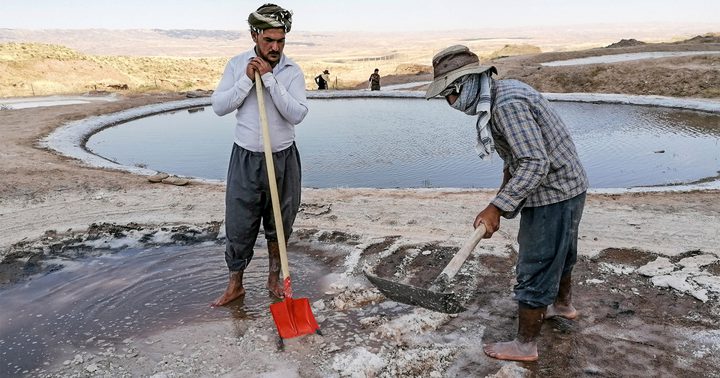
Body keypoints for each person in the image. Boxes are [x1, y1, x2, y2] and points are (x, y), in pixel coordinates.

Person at [425, 45, 588, 362]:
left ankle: (525, 345)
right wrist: (499, 201)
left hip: (553, 191)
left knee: (537, 263)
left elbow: (533, 163)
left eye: (450, 95)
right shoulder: (501, 94)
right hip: (570, 184)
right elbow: (515, 159)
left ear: (467, 84)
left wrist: (497, 207)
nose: (450, 103)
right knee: (562, 251)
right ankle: (563, 306)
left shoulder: (506, 106)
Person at [210, 3, 308, 307]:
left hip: (282, 159)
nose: (275, 47)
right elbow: (219, 106)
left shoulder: (291, 71)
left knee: (280, 222)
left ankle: (274, 279)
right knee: (240, 222)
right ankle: (235, 286)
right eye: (269, 40)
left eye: (281, 40)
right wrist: (246, 80)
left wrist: (269, 80)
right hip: (246, 159)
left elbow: (297, 114)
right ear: (255, 35)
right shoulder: (236, 64)